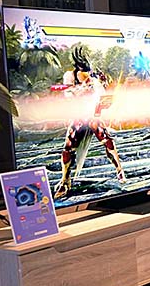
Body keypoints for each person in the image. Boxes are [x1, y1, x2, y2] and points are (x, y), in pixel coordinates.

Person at [54, 46, 125, 199]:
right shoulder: (70, 76)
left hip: (92, 115)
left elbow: (103, 97)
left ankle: (120, 171)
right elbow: (68, 95)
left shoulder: (94, 77)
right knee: (68, 148)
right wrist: (81, 89)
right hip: (79, 116)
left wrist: (102, 93)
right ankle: (65, 179)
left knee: (107, 141)